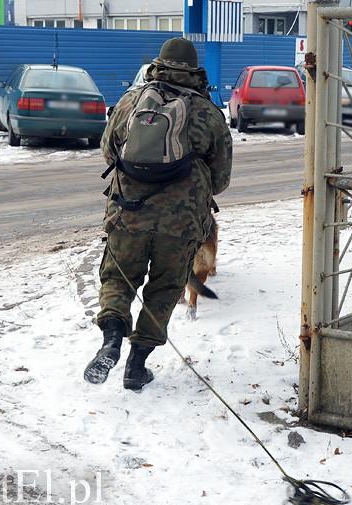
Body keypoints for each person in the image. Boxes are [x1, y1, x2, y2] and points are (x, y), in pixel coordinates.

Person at [84, 38, 232, 391]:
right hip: (180, 225)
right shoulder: (209, 114)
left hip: (127, 215)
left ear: (158, 65)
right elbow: (221, 180)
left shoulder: (131, 102)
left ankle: (112, 339)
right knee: (164, 290)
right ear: (196, 72)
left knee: (118, 281)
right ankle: (137, 366)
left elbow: (108, 152)